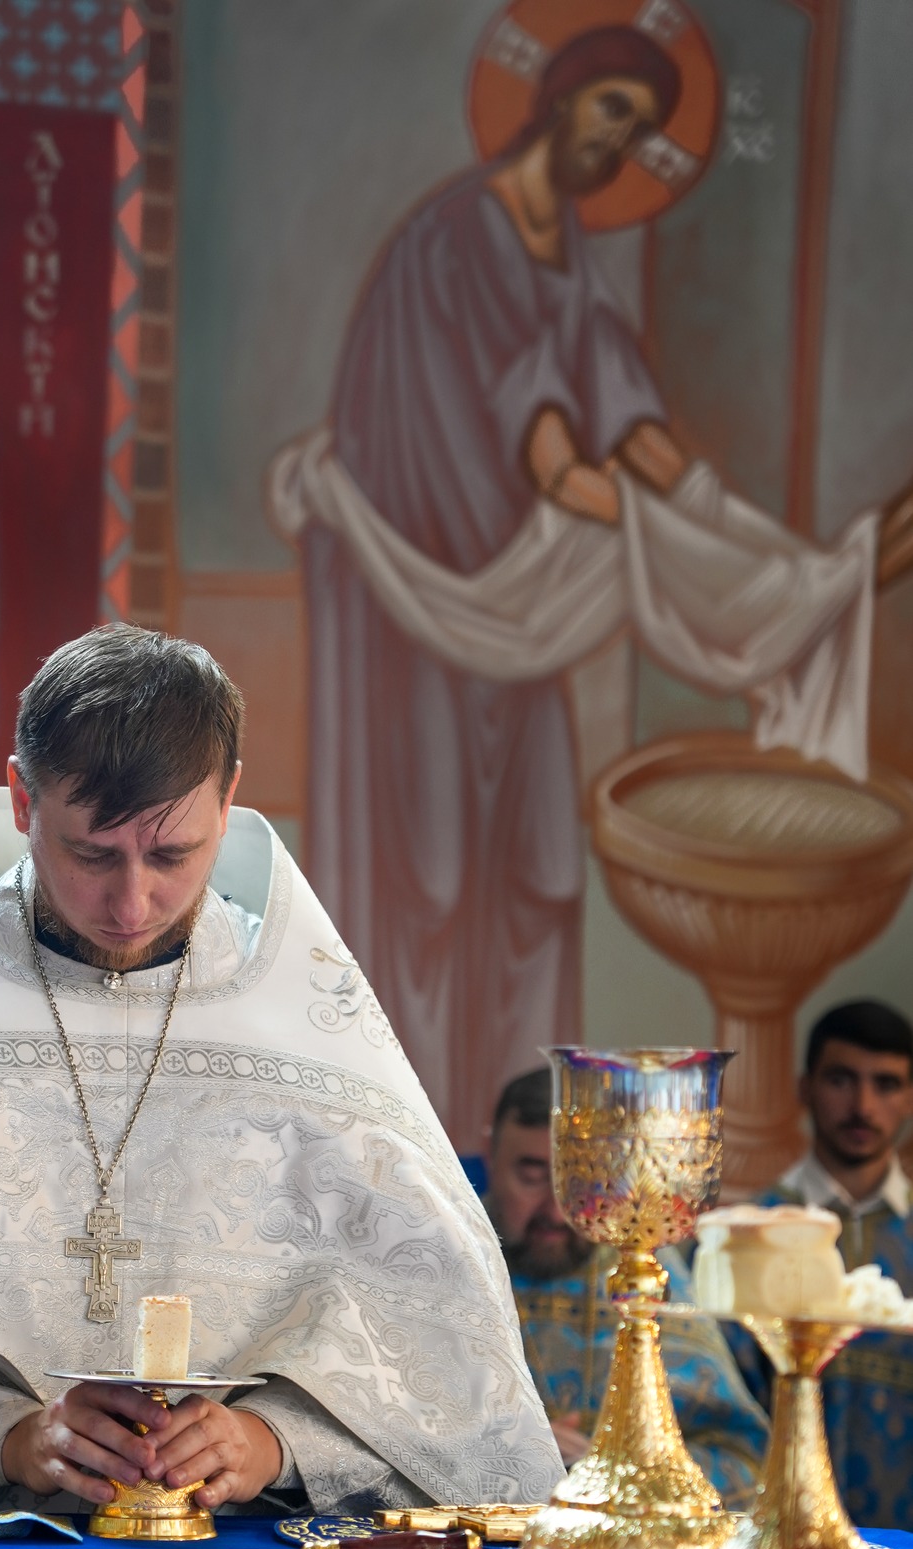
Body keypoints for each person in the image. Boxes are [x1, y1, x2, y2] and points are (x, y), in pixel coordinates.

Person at [0, 627, 564, 1518]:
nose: (131, 903)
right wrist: (5, 1439)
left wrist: (273, 1441)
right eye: (92, 854)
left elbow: (446, 1358)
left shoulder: (306, 1034)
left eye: (171, 856)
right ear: (22, 799)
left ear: (229, 800)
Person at [281, 23, 913, 1156]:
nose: (622, 138)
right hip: (417, 622)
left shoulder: (568, 254)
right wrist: (693, 549)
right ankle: (401, 1145)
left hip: (521, 634)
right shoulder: (456, 240)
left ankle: (520, 1152)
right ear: (558, 96)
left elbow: (631, 436)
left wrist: (772, 553)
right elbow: (545, 453)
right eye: (613, 108)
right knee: (426, 880)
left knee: (534, 877)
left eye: (642, 126)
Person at [483, 1067, 768, 1505]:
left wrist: (621, 1476)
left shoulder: (646, 1272)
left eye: (581, 1181)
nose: (557, 1212)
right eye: (533, 1175)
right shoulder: (444, 1263)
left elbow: (742, 1459)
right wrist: (499, 1452)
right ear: (490, 1156)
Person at [760, 1001, 913, 1527]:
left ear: (910, 1097)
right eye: (841, 1079)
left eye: (886, 1084)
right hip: (777, 1538)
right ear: (805, 1089)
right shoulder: (751, 1234)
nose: (863, 1106)